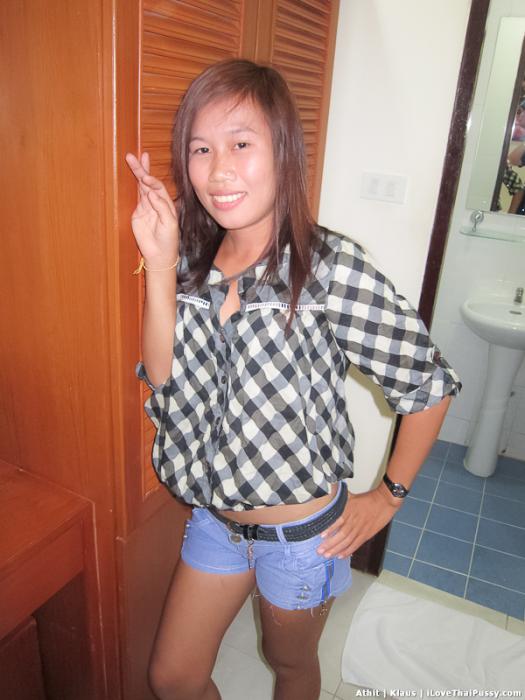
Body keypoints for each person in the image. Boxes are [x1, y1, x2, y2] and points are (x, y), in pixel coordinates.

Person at [125, 59, 461, 700]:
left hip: (301, 538)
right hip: (217, 522)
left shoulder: (328, 268)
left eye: (240, 144)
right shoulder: (193, 258)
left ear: (283, 150)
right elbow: (164, 376)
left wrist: (386, 497)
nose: (217, 170)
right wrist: (161, 262)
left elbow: (428, 386)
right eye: (201, 148)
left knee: (291, 667)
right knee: (173, 678)